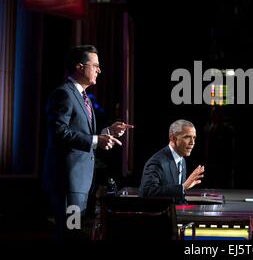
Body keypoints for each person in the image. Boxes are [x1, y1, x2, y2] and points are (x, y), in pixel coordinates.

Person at [43, 45, 134, 239]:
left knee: (75, 233)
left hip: (81, 183)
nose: (99, 70)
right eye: (95, 65)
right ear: (79, 67)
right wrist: (95, 140)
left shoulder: (84, 97)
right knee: (70, 234)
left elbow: (81, 132)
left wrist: (107, 132)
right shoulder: (64, 94)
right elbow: (59, 132)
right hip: (68, 183)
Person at [139, 119, 205, 201]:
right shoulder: (157, 162)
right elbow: (147, 192)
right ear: (173, 138)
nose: (192, 142)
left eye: (194, 138)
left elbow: (178, 197)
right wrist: (183, 187)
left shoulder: (182, 160)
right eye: (187, 137)